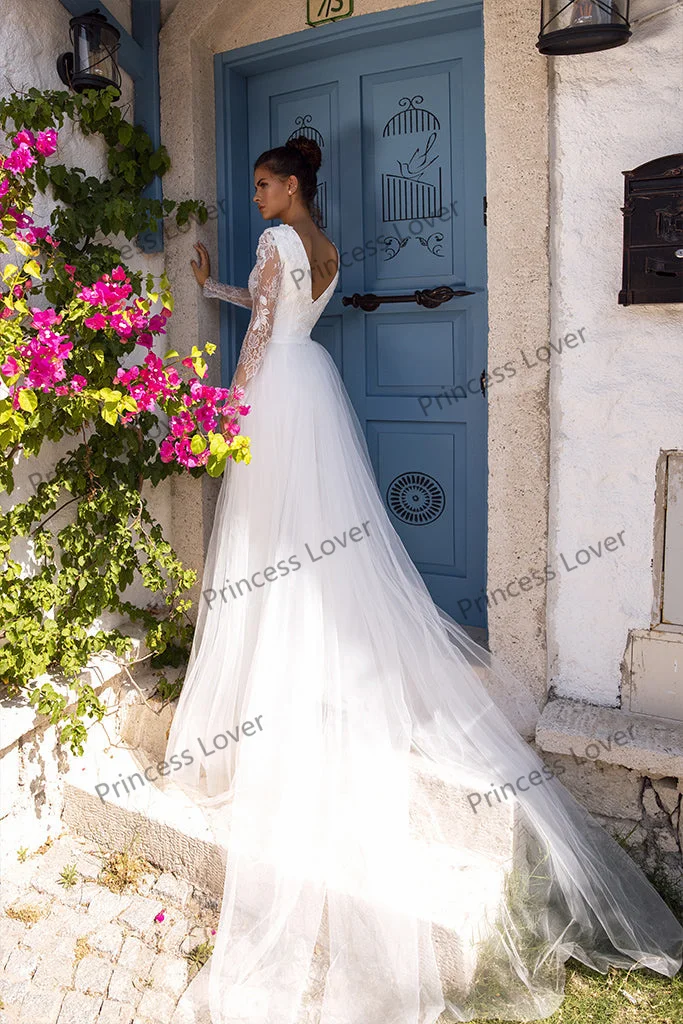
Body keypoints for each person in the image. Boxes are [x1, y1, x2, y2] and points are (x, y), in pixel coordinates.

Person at [164, 136, 683, 1024]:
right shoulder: (322, 250)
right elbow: (271, 308)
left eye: (261, 185)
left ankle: (262, 689)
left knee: (266, 539)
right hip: (312, 385)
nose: (253, 197)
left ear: (291, 186)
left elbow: (256, 332)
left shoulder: (278, 241)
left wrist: (221, 414)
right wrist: (213, 283)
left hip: (275, 395)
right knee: (312, 540)